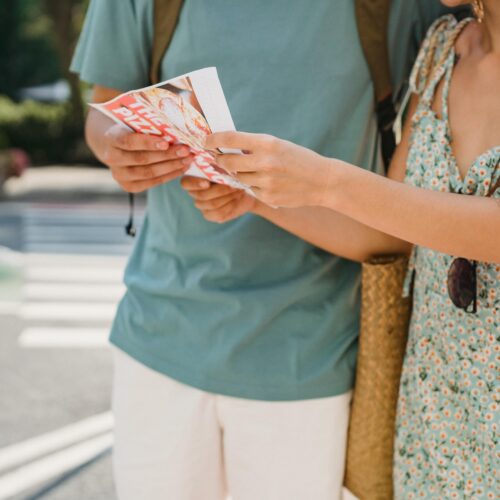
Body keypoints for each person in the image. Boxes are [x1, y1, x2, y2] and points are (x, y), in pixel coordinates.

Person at [71, 1, 448, 498]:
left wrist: (261, 197)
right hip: (160, 338)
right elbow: (104, 109)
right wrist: (118, 146)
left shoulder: (409, 8)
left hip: (312, 355)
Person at [183, 1, 499, 497]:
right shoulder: (443, 46)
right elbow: (392, 236)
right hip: (436, 422)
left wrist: (327, 180)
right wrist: (261, 197)